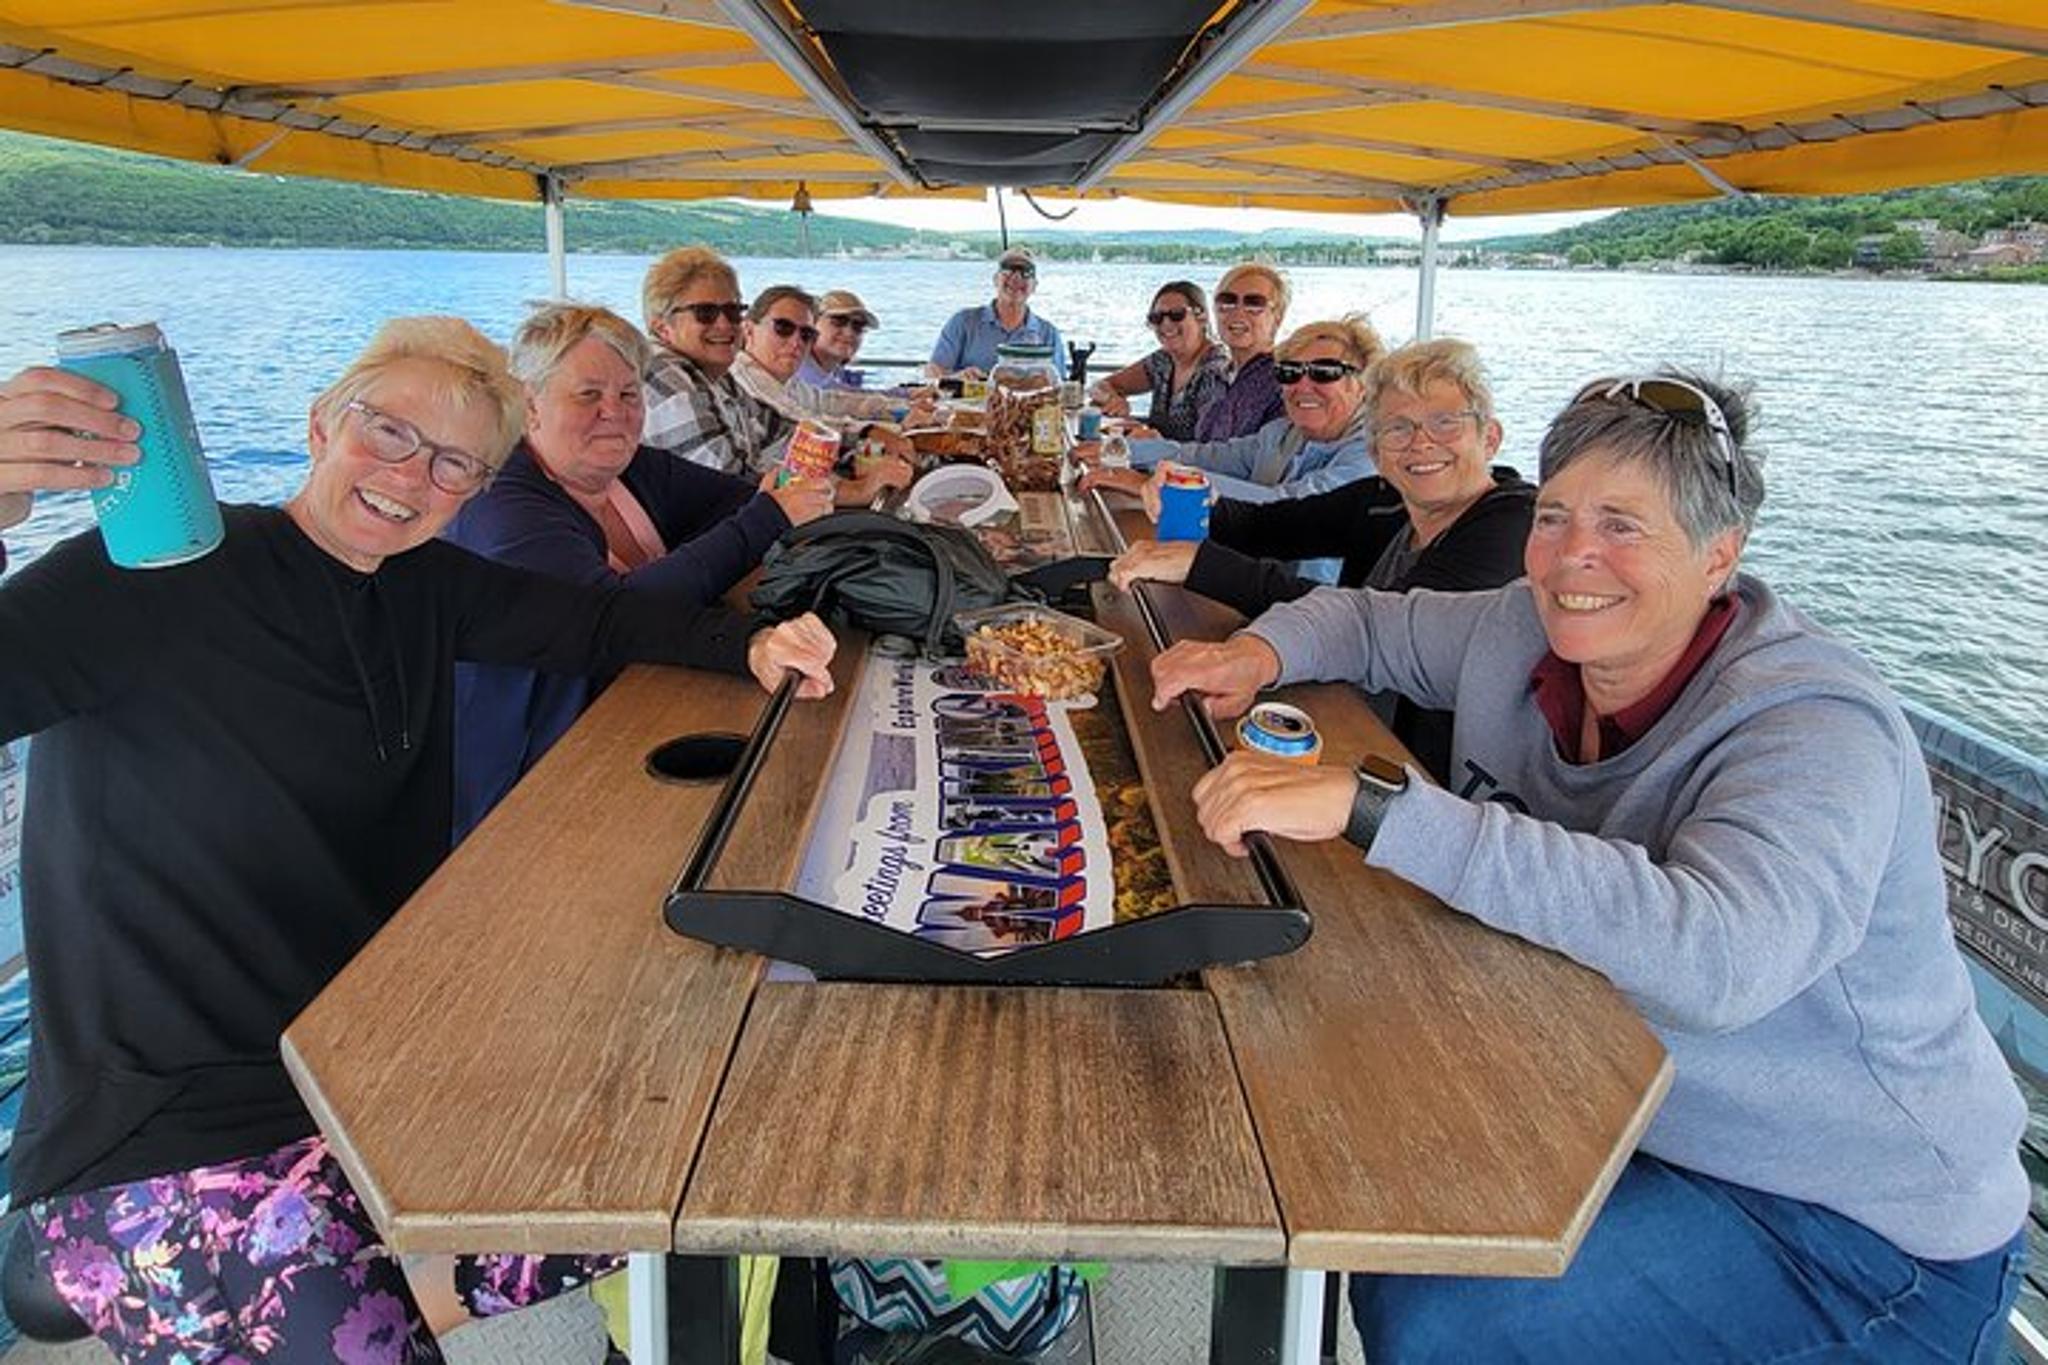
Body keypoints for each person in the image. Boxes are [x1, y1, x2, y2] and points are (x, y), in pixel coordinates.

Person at [0, 319, 836, 1364]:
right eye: (387, 431)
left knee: (694, 1169)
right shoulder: (137, 581)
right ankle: (340, 1284)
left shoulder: (424, 586)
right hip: (171, 1135)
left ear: (475, 489)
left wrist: (751, 643)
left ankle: (397, 1276)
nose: (411, 475)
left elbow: (599, 624)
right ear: (319, 426)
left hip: (361, 1071)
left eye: (453, 462)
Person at [1152, 372, 2028, 1365]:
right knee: (1375, 1172)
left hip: (1852, 1229)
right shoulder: (1519, 626)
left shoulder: (1812, 724)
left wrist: (1377, 809)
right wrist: (1254, 657)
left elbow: (1718, 958)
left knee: (1452, 1315)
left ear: (1717, 557)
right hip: (1634, 1112)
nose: (1574, 556)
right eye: (1556, 515)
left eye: (1621, 525)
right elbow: (1362, 622)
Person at [446, 301, 834, 838]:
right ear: (528, 405)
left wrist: (755, 520)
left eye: (629, 394)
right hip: (535, 781)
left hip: (641, 713)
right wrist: (760, 523)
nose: (615, 411)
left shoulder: (628, 466)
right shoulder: (503, 504)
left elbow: (736, 503)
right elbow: (613, 619)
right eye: (588, 395)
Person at [1109, 338, 1533, 781]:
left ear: (1491, 438)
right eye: (1398, 428)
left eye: (1445, 423)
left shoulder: (1511, 528)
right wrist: (1192, 498)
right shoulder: (1385, 500)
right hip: (1353, 717)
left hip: (1428, 775)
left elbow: (1372, 629)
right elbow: (1266, 525)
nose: (1421, 443)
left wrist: (1201, 565)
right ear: (1376, 453)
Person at [729, 284, 917, 503]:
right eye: (783, 328)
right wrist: (869, 433)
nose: (796, 342)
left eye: (806, 334)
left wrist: (898, 411)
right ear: (748, 330)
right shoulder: (746, 378)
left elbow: (830, 401)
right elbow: (800, 426)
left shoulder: (784, 379)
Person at [641, 245, 790, 478]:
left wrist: (858, 439)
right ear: (662, 328)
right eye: (705, 313)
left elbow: (779, 432)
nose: (724, 324)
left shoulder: (717, 378)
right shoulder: (662, 372)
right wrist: (844, 490)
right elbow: (728, 482)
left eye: (732, 312)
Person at [1086, 280, 1230, 441]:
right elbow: (1099, 386)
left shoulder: (1214, 372)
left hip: (1185, 464)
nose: (1166, 324)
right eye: (1157, 317)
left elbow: (1213, 449)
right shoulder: (1163, 361)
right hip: (1153, 460)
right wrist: (1112, 400)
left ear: (1202, 317)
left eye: (1177, 315)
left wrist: (1158, 443)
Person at [926, 247, 1064, 380]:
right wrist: (956, 378)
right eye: (1008, 270)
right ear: (995, 280)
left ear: (1034, 286)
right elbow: (933, 371)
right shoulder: (963, 322)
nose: (1016, 278)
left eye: (1026, 272)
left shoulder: (1049, 334)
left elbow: (1058, 384)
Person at [1193, 263, 1290, 442]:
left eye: (1254, 304)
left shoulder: (1284, 379)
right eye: (1226, 302)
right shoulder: (1217, 375)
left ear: (1278, 316)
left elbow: (1263, 458)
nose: (1237, 312)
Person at [798, 288, 878, 390]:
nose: (849, 333)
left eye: (858, 326)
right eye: (838, 321)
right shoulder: (798, 371)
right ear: (813, 323)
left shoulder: (834, 372)